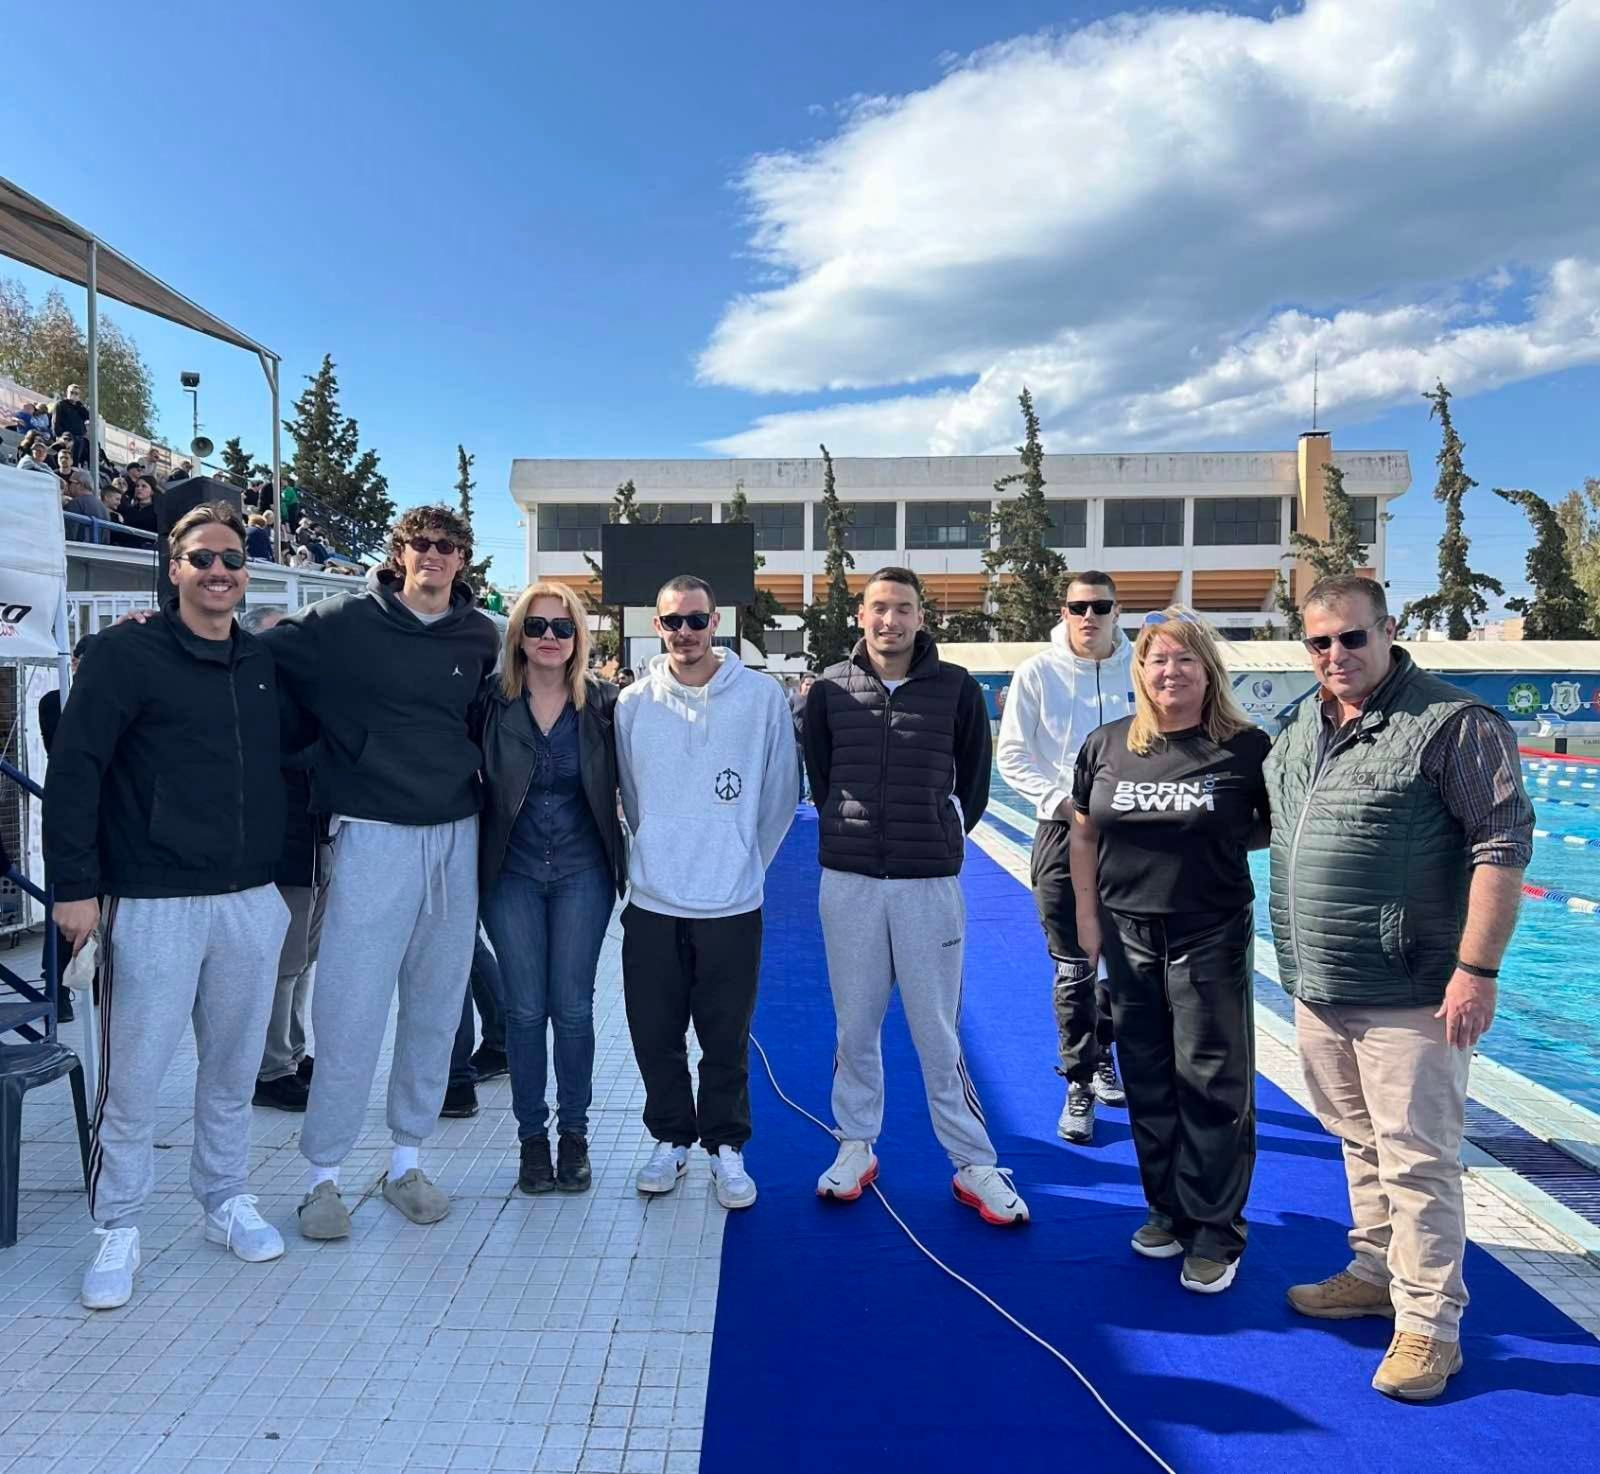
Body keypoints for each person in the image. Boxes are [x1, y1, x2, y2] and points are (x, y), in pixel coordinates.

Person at [1265, 574, 1533, 1401]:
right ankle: (1377, 1272)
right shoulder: (1303, 724)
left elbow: (1501, 845)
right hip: (1320, 982)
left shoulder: (1453, 723)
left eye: (1352, 637)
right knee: (1358, 1140)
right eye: (1319, 642)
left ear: (1388, 631)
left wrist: (1477, 971)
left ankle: (1431, 1328)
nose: (1336, 654)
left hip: (1411, 988)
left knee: (1418, 1161)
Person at [43, 501, 291, 1310]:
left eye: (232, 559)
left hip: (247, 900)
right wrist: (74, 887)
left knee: (232, 1071)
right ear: (174, 568)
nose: (219, 571)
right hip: (151, 902)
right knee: (135, 1079)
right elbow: (76, 770)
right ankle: (117, 1224)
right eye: (203, 559)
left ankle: (225, 1198)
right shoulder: (126, 654)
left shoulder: (262, 662)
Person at [261, 504, 499, 1240]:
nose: (433, 554)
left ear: (462, 558)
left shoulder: (480, 635)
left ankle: (407, 1162)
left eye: (447, 545)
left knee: (435, 1007)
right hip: (370, 833)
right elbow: (258, 652)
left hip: (454, 834)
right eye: (420, 543)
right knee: (350, 1009)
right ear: (399, 553)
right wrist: (164, 628)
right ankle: (322, 1177)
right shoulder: (342, 620)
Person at [804, 568, 1027, 1225]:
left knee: (937, 1030)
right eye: (879, 607)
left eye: (903, 608)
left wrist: (935, 833)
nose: (890, 620)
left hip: (927, 884)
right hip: (849, 882)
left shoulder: (955, 688)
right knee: (855, 1025)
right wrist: (852, 831)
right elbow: (822, 777)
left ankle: (973, 1161)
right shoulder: (830, 689)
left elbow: (974, 784)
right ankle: (855, 1144)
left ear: (921, 618)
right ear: (861, 615)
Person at [1070, 607, 1269, 1294]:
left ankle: (1215, 1228)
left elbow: (1271, 829)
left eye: (1185, 658)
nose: (1171, 670)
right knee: (1148, 1077)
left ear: (1208, 670)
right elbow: (1084, 833)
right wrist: (1087, 919)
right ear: (1141, 670)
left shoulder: (1246, 749)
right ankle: (1169, 1208)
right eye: (1158, 658)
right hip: (1127, 932)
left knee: (1211, 1082)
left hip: (1208, 930)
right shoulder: (1107, 744)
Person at [616, 574, 796, 1209]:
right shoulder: (633, 703)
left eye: (697, 619)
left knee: (725, 1036)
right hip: (654, 902)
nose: (685, 632)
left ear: (717, 622)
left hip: (732, 903)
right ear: (657, 626)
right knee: (654, 1032)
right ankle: (671, 1137)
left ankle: (725, 1146)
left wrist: (744, 861)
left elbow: (781, 792)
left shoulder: (761, 698)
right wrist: (657, 854)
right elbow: (632, 796)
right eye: (673, 621)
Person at [477, 581, 626, 1193]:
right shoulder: (489, 702)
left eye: (562, 628)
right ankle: (532, 1141)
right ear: (518, 635)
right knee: (522, 1009)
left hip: (582, 872)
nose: (549, 638)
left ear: (578, 638)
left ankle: (574, 1136)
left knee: (571, 1008)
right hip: (509, 874)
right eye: (536, 626)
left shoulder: (605, 705)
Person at [997, 571, 1135, 1144]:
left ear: (1117, 611)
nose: (1088, 617)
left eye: (1100, 606)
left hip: (1132, 838)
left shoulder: (1141, 667)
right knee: (1074, 965)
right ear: (1064, 612)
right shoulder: (1037, 672)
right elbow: (1011, 755)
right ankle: (1079, 1080)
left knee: (1127, 960)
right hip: (1062, 833)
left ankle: (1105, 1052)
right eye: (1078, 607)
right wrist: (1065, 804)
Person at [51, 384, 89, 464]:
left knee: (76, 461)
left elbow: (87, 416)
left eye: (76, 393)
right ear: (67, 393)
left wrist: (79, 405)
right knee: (66, 459)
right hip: (67, 438)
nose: (73, 395)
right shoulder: (61, 404)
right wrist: (59, 436)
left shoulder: (79, 407)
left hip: (79, 438)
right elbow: (55, 421)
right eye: (71, 392)